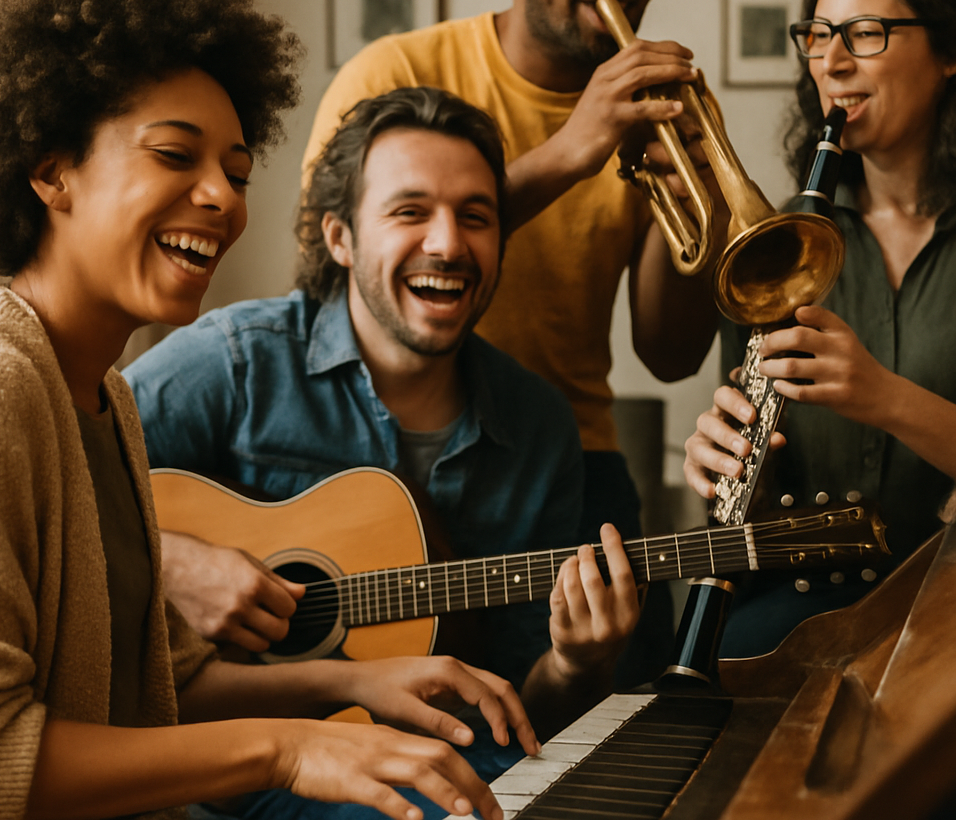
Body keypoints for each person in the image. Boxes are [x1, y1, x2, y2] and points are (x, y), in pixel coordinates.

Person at [0, 0, 537, 820]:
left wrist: (364, 684)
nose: (222, 196)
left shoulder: (103, 400)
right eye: (176, 155)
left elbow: (164, 689)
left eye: (237, 170)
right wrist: (292, 750)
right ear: (51, 169)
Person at [125, 86, 642, 816]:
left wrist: (575, 661)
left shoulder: (536, 425)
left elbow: (530, 708)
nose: (447, 244)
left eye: (476, 217)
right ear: (339, 238)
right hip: (242, 756)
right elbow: (54, 486)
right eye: (410, 212)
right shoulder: (238, 363)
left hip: (448, 751)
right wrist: (175, 562)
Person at [303, 0, 728, 669]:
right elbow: (323, 277)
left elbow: (671, 356)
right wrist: (578, 147)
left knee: (634, 714)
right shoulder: (400, 71)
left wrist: (696, 202)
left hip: (572, 455)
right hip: (389, 455)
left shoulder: (654, 106)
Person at [683, 0, 956, 658]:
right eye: (819, 35)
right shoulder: (780, 249)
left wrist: (884, 397)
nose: (831, 62)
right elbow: (755, 511)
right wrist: (728, 471)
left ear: (949, 51)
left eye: (866, 34)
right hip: (805, 618)